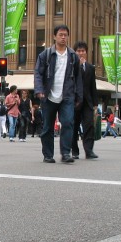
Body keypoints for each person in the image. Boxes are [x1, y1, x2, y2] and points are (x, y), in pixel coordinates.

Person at [34, 25, 83, 164]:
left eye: (65, 35)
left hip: (67, 95)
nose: (63, 37)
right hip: (48, 95)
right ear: (54, 36)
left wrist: (79, 96)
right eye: (60, 34)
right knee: (48, 126)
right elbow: (38, 73)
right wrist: (39, 90)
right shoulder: (46, 54)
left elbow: (78, 78)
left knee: (68, 123)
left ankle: (66, 153)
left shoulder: (73, 56)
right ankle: (48, 155)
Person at [72, 41, 98, 159]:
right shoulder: (71, 66)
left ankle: (89, 150)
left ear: (86, 53)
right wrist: (78, 66)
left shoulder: (90, 68)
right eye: (78, 51)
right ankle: (74, 151)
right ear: (75, 52)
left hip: (87, 102)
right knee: (73, 127)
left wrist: (95, 105)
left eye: (83, 51)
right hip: (75, 101)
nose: (81, 53)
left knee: (89, 125)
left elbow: (93, 86)